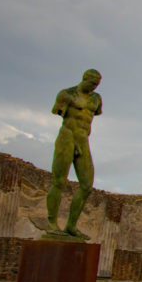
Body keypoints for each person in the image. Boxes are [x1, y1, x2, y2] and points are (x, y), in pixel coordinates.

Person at [45, 69, 102, 239]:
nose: (94, 87)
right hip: (67, 136)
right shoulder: (66, 94)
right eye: (92, 83)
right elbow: (57, 111)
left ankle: (71, 225)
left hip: (83, 140)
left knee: (86, 186)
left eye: (97, 85)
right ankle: (52, 224)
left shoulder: (96, 99)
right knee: (59, 181)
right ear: (85, 79)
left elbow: (93, 115)